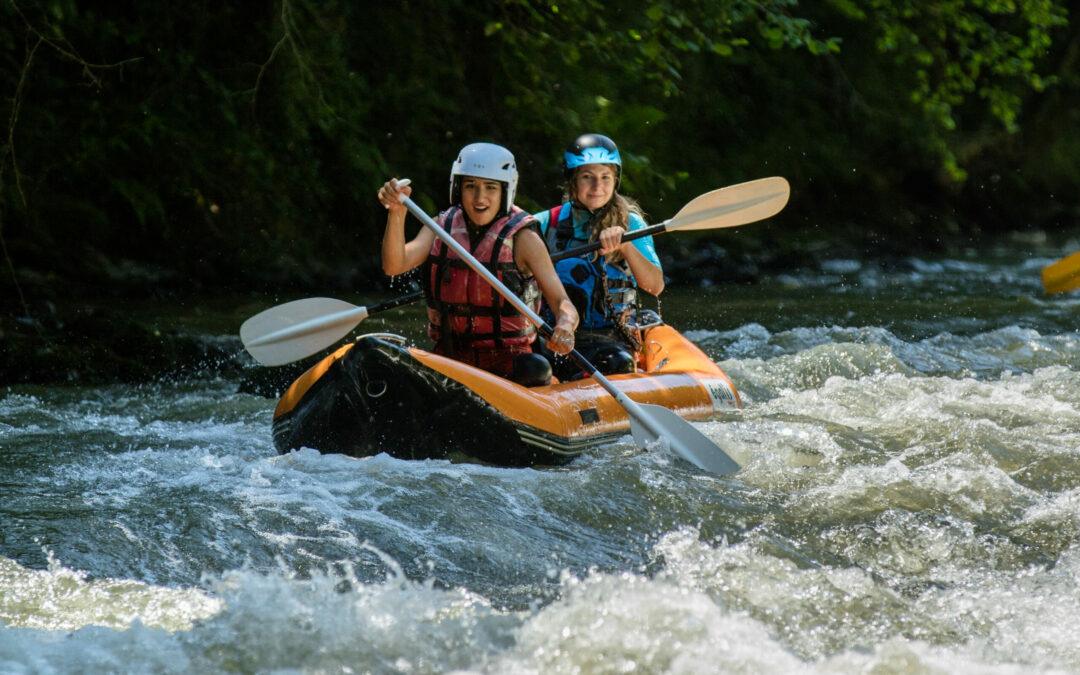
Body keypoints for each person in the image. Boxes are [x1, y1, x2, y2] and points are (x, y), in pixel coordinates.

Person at [377, 142, 578, 386]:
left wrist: (565, 325)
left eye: (490, 187)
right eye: (470, 185)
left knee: (536, 368)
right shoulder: (441, 227)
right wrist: (396, 213)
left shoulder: (524, 239)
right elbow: (394, 265)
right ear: (458, 188)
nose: (480, 197)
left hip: (509, 361)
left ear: (506, 190)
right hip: (451, 357)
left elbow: (562, 303)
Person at [532, 133, 664, 380]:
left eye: (605, 177)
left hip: (611, 340)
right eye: (587, 177)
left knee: (617, 363)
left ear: (616, 180)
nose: (597, 187)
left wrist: (625, 247)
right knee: (531, 366)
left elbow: (655, 286)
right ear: (572, 181)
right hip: (555, 337)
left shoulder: (631, 223)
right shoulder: (545, 223)